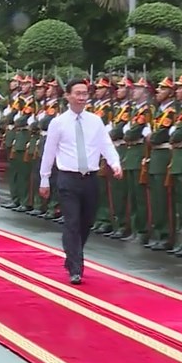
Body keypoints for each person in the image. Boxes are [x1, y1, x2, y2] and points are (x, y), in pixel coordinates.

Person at [38, 78, 123, 284]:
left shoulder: (95, 121)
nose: (82, 97)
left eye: (85, 93)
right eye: (77, 93)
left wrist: (115, 163)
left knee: (86, 222)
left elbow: (106, 144)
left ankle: (72, 255)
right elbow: (49, 152)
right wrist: (44, 178)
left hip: (90, 178)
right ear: (68, 96)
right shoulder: (58, 122)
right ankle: (76, 267)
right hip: (68, 178)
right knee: (72, 222)